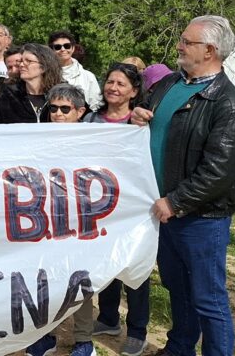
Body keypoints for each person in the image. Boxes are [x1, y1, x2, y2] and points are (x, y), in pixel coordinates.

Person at [130, 15, 235, 356]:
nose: (179, 46)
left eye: (187, 41)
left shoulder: (227, 103)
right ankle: (179, 348)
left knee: (208, 298)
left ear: (209, 50)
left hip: (200, 218)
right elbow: (149, 118)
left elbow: (219, 171)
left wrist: (176, 201)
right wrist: (138, 114)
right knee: (178, 288)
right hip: (164, 211)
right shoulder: (170, 84)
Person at [26, 84, 96, 356]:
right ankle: (46, 335)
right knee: (45, 277)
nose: (58, 114)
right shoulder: (37, 138)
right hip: (45, 219)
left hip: (79, 220)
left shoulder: (93, 140)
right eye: (53, 108)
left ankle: (84, 339)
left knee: (80, 279)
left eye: (65, 109)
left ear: (80, 111)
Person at [91, 60, 152, 356]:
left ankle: (137, 331)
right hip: (98, 206)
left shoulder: (141, 124)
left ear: (134, 91)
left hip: (133, 207)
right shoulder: (90, 120)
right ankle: (108, 318)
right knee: (106, 263)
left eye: (121, 84)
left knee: (134, 267)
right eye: (110, 82)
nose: (113, 88)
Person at [0, 44, 62, 124]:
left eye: (28, 61)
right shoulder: (7, 97)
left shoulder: (59, 97)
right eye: (21, 61)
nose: (21, 65)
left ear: (43, 67)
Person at [50, 31, 103, 111]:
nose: (63, 49)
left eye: (67, 46)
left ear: (73, 48)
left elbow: (96, 105)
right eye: (58, 47)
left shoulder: (88, 77)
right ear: (52, 50)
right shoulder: (45, 75)